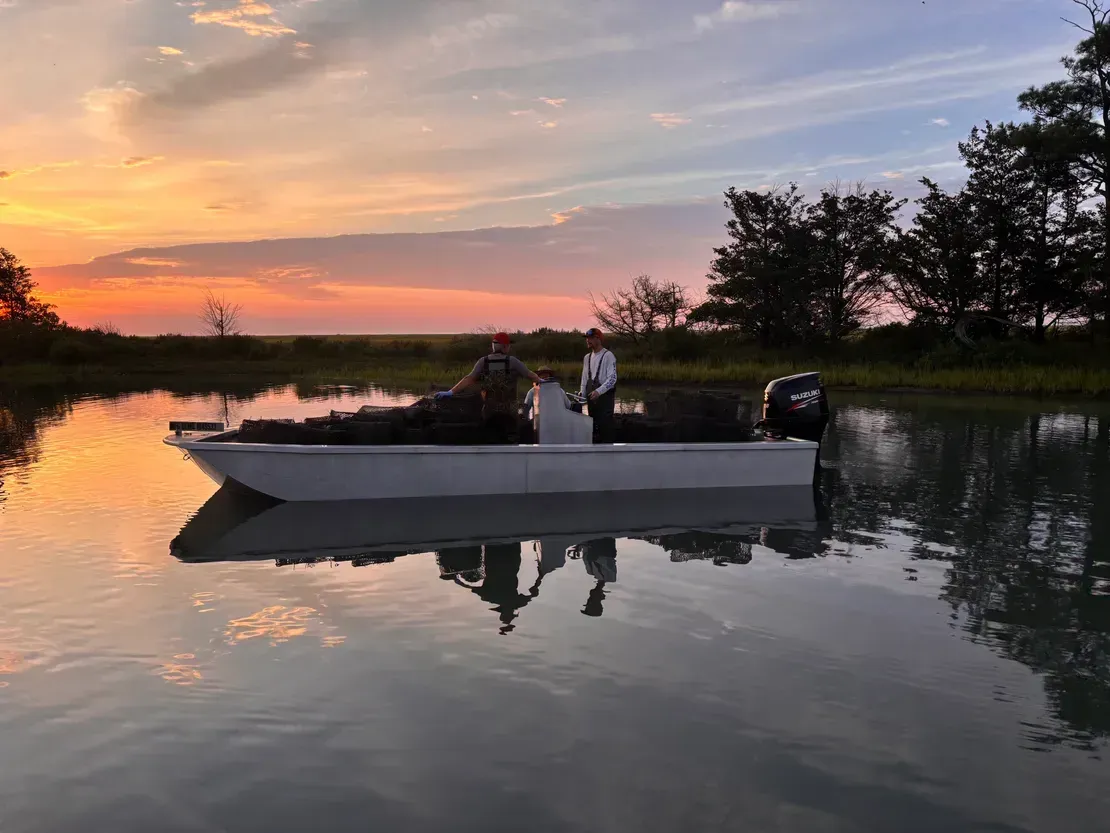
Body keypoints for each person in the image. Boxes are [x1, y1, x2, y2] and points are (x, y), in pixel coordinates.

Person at [436, 332, 540, 443]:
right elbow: (530, 375)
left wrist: (451, 392)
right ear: (505, 346)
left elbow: (469, 378)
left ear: (493, 346)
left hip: (490, 413)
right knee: (511, 439)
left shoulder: (483, 362)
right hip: (509, 413)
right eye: (508, 345)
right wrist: (542, 381)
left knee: (491, 439)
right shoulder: (512, 361)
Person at [579, 327, 617, 443]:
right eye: (587, 338)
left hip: (605, 400)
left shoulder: (608, 356)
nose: (587, 340)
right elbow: (584, 378)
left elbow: (613, 378)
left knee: (605, 430)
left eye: (590, 338)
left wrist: (598, 391)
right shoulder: (587, 358)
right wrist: (581, 394)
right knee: (593, 431)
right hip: (592, 401)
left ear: (598, 339)